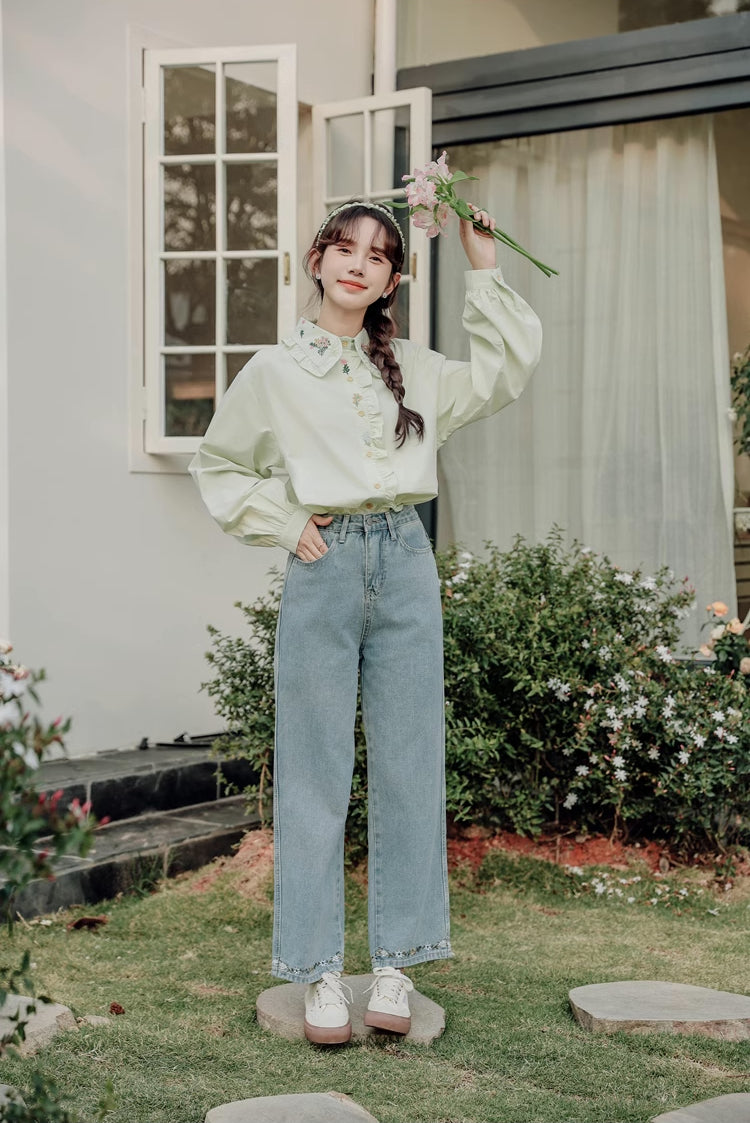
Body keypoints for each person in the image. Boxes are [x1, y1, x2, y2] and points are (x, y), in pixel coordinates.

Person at [189, 198, 542, 1045]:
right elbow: (221, 462)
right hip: (324, 562)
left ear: (391, 278)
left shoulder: (414, 366)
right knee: (313, 768)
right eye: (343, 248)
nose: (357, 264)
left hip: (407, 563)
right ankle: (317, 971)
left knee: (410, 761)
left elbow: (502, 373)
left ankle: (395, 962)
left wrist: (484, 261)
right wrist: (286, 523)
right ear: (316, 259)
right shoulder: (272, 372)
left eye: (377, 256)